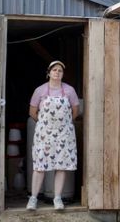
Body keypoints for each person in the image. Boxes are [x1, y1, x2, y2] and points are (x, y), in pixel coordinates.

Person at [26, 60, 79, 210]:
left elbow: (75, 110)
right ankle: (33, 199)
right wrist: (45, 124)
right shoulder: (40, 90)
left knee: (61, 166)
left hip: (64, 134)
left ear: (63, 74)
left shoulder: (69, 90)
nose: (57, 73)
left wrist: (64, 124)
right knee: (39, 166)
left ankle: (57, 199)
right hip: (44, 135)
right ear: (49, 72)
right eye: (54, 70)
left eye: (60, 71)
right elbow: (32, 112)